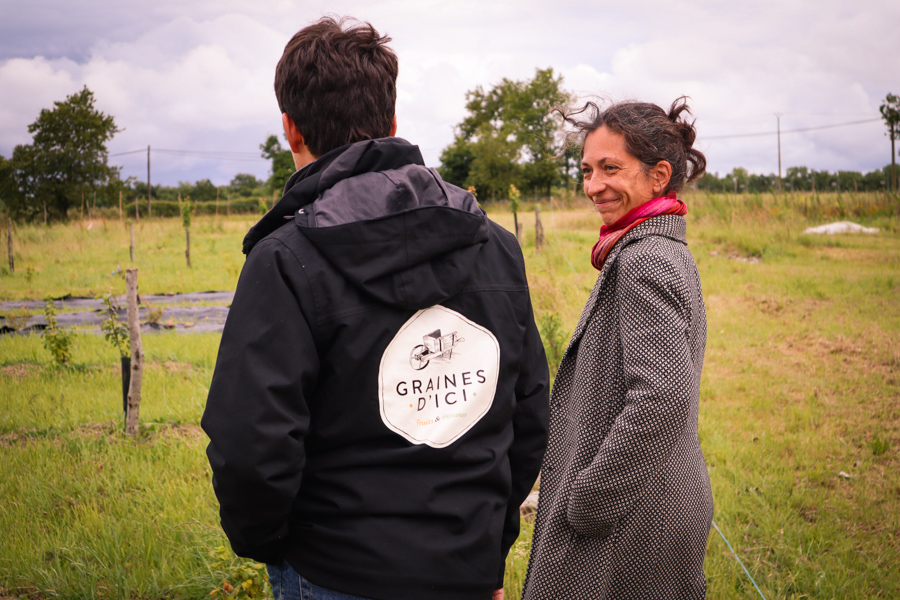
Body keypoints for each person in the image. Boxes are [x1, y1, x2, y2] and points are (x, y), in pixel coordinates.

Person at [201, 17, 550, 600]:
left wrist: (273, 546)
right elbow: (529, 415)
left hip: (334, 572)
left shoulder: (285, 259)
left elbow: (251, 446)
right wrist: (485, 542)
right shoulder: (496, 244)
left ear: (290, 129)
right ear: (391, 122)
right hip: (465, 566)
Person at [522, 98, 714, 600]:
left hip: (630, 518)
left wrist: (592, 500)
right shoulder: (660, 247)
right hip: (655, 498)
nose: (592, 185)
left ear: (659, 176)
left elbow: (664, 395)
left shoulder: (643, 260)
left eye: (611, 168)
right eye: (586, 170)